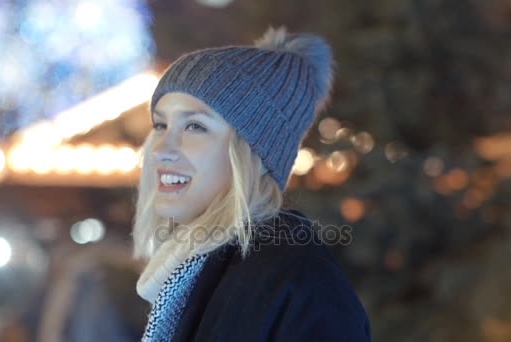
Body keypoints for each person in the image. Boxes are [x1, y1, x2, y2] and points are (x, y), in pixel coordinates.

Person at [132, 26, 371, 342]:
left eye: (194, 126)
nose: (161, 148)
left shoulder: (297, 281)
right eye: (161, 125)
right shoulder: (200, 269)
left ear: (253, 151)